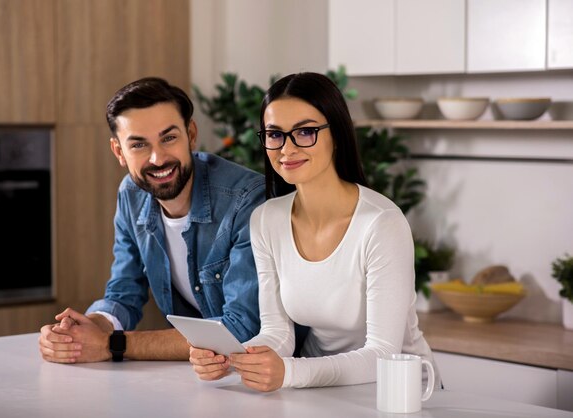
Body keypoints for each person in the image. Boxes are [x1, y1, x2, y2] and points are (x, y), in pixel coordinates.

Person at [189, 72, 440, 392]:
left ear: (336, 134)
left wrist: (289, 373)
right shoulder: (266, 219)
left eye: (305, 132)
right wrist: (233, 359)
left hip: (401, 392)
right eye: (275, 134)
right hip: (320, 392)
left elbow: (383, 353)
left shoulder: (381, 223)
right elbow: (278, 333)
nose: (287, 149)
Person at [38, 77, 265, 363]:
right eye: (139, 145)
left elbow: (242, 327)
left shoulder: (245, 199)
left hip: (273, 377)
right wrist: (83, 330)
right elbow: (123, 292)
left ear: (191, 134)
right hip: (204, 375)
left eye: (169, 138)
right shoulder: (132, 195)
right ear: (119, 152)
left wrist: (112, 344)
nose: (158, 159)